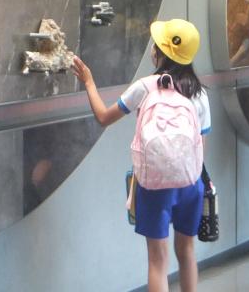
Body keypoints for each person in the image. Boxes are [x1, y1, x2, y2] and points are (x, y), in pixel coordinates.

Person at [71, 19, 210, 292]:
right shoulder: (200, 94)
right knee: (187, 252)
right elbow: (199, 148)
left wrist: (88, 82)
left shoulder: (145, 86)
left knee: (157, 261)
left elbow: (103, 117)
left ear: (162, 53)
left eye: (156, 45)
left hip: (153, 183)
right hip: (190, 183)